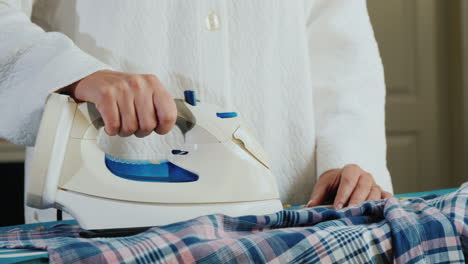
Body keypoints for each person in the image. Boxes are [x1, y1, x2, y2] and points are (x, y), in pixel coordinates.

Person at [0, 0, 393, 223]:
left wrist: (348, 159)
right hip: (105, 220)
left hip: (292, 205)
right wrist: (76, 74)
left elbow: (342, 54)